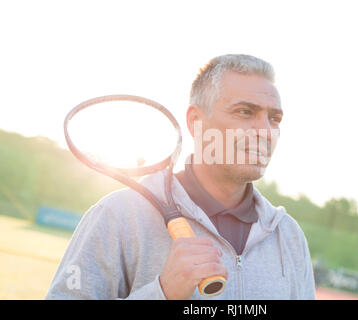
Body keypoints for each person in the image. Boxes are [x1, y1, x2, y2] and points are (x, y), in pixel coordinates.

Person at [46, 54, 316, 300]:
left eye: (274, 118)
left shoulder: (288, 236)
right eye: (245, 112)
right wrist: (162, 293)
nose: (265, 131)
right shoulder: (118, 214)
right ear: (196, 121)